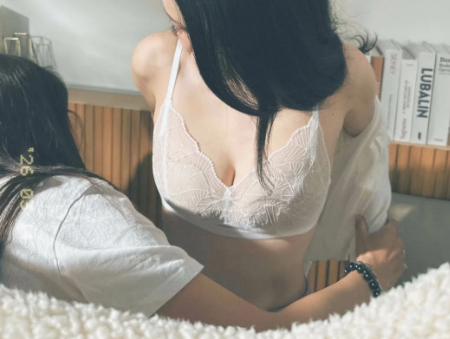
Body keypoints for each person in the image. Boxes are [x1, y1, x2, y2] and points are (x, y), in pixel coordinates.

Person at [132, 0, 406, 314]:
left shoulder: (343, 76)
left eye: (201, 29)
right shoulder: (156, 63)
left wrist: (370, 269)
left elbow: (367, 203)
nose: (188, 43)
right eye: (177, 25)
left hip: (292, 325)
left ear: (256, 6)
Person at [0, 55, 404, 331]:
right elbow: (261, 332)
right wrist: (371, 275)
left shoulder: (27, 205)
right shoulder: (72, 212)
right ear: (59, 127)